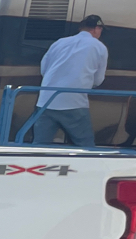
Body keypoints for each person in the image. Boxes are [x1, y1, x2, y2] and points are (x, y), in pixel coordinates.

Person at [32, 15, 107, 145]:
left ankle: (33, 165)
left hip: (46, 100)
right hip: (74, 102)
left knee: (39, 145)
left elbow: (44, 70)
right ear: (96, 28)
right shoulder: (99, 47)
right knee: (86, 146)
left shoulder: (59, 42)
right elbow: (98, 80)